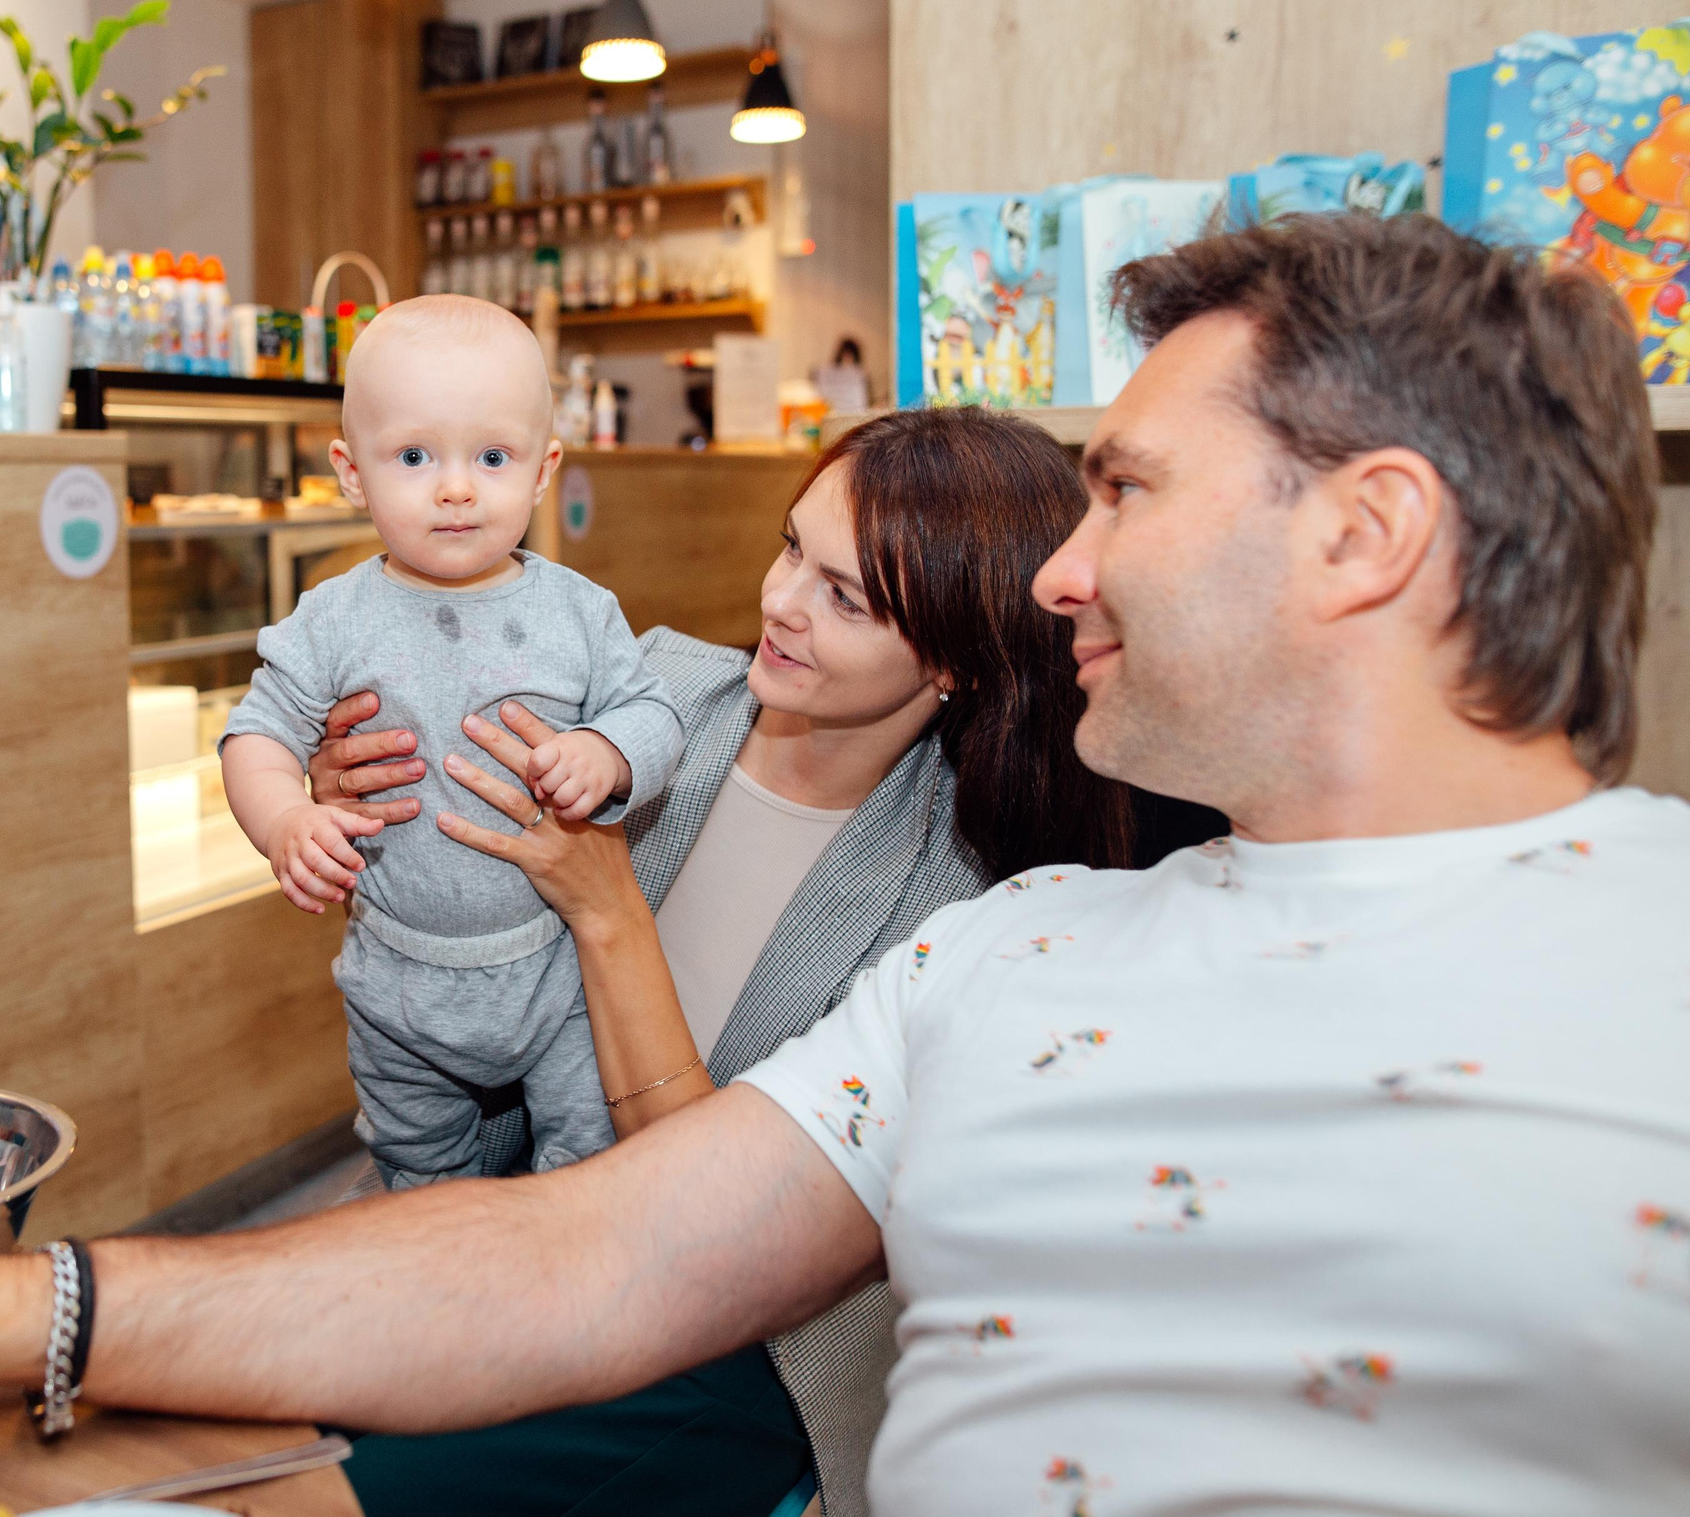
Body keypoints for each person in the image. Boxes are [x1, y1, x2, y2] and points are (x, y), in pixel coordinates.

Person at [0, 217, 1685, 1512]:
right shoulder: (1028, 954)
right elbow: (595, 1257)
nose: (1061, 563)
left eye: (1122, 485)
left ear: (1364, 532)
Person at [311, 404, 1133, 1517]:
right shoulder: (645, 698)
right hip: (508, 1215)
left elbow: (721, 1231)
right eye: (793, 546)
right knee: (228, 1417)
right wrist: (351, 793)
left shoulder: (960, 896)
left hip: (735, 1345)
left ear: (958, 659)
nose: (780, 604)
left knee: (357, 1490)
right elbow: (448, 915)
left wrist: (607, 913)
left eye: (844, 598)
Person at [221, 295, 685, 1185]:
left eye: (493, 456)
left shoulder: (579, 612)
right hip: (397, 980)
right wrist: (283, 817)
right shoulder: (332, 617)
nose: (457, 486)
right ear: (352, 473)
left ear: (544, 469)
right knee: (416, 1170)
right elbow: (257, 733)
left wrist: (608, 752)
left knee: (585, 1165)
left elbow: (656, 715)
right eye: (414, 456)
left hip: (554, 975)